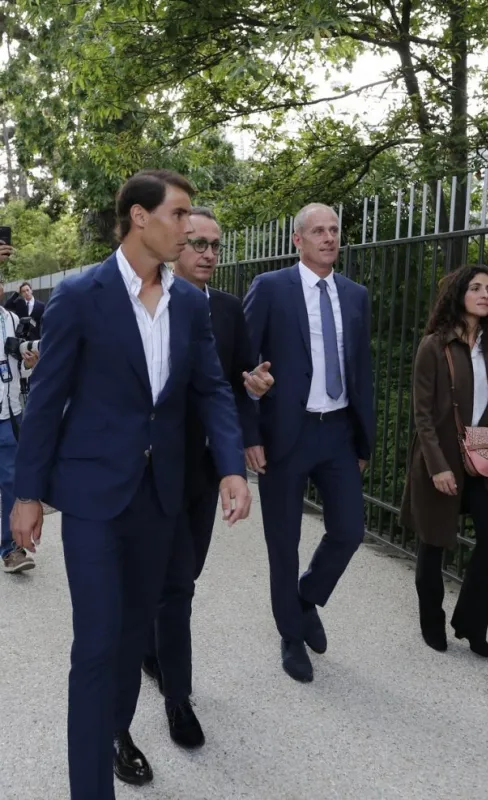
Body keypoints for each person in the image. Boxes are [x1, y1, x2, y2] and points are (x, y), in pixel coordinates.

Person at [10, 169, 251, 800]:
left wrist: (231, 466)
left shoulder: (189, 303)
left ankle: (115, 732)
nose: (188, 228)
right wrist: (26, 495)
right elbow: (47, 399)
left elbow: (212, 388)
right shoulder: (81, 296)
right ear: (139, 218)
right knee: (96, 644)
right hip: (93, 497)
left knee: (129, 638)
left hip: (160, 497)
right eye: (178, 214)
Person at [142, 206, 273, 748]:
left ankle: (153, 645)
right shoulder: (148, 304)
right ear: (176, 243)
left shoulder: (227, 308)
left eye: (215, 245)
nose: (209, 254)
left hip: (204, 469)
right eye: (198, 243)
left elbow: (238, 383)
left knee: (186, 574)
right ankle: (178, 697)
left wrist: (253, 395)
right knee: (174, 584)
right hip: (153, 469)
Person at [243, 202, 374, 683]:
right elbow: (243, 366)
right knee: (283, 541)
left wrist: (363, 441)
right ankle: (290, 634)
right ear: (297, 240)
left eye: (334, 230)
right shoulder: (270, 288)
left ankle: (306, 597)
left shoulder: (355, 295)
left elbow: (361, 370)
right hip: (285, 434)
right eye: (318, 231)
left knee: (349, 531)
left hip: (337, 432)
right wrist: (250, 434)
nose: (329, 238)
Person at [401, 265, 488, 658]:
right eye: (476, 288)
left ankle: (470, 623)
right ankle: (431, 623)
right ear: (459, 294)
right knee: (434, 541)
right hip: (441, 457)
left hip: (480, 456)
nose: (485, 295)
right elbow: (422, 415)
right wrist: (437, 466)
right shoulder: (434, 345)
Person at [0, 273, 39, 575]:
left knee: (12, 482)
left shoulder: (12, 319)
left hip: (9, 413)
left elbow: (18, 368)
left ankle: (11, 548)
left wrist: (27, 362)